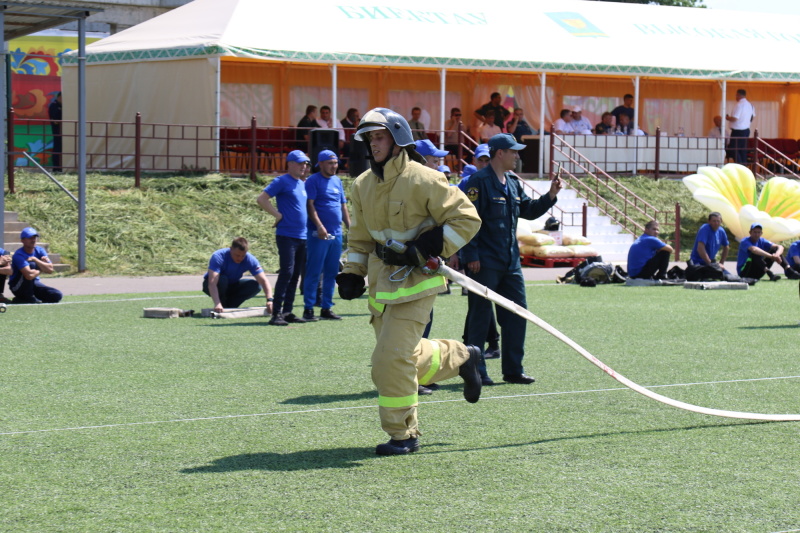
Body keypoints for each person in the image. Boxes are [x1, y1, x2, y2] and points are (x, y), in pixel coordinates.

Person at [335, 107, 483, 456]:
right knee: (406, 356)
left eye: (380, 136)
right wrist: (351, 273)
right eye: (370, 138)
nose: (374, 144)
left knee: (389, 359)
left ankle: (404, 434)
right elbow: (359, 239)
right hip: (381, 287)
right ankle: (462, 356)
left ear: (399, 138)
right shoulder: (361, 185)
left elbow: (466, 219)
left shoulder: (426, 179)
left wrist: (430, 245)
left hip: (417, 282)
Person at [461, 133, 563, 385]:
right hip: (484, 262)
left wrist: (550, 195)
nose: (518, 156)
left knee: (517, 314)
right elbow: (468, 220)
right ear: (500, 153)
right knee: (480, 316)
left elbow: (528, 211)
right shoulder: (478, 182)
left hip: (510, 262)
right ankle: (477, 371)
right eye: (514, 151)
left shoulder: (513, 183)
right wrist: (470, 254)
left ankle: (513, 369)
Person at [257, 150, 311, 326]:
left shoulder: (303, 184)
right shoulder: (282, 181)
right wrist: (277, 215)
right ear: (290, 164)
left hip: (302, 236)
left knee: (295, 274)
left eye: (305, 163)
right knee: (287, 272)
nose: (304, 166)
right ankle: (276, 314)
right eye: (300, 163)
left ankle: (287, 311)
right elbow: (262, 199)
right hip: (287, 235)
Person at [302, 149, 350, 321]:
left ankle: (326, 307)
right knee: (314, 271)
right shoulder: (313, 181)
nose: (334, 166)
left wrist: (350, 228)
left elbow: (343, 206)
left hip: (336, 234)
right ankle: (308, 308)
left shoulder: (337, 181)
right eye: (330, 163)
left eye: (335, 163)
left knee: (332, 272)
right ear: (320, 164)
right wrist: (320, 226)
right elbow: (310, 206)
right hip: (319, 234)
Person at [203, 237, 273, 313]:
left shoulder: (250, 259)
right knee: (223, 280)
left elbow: (263, 281)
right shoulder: (218, 256)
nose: (240, 258)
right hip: (214, 285)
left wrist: (270, 300)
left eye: (243, 256)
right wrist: (217, 303)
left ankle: (230, 306)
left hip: (233, 285)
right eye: (237, 255)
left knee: (255, 286)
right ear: (231, 249)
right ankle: (221, 304)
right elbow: (212, 283)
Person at [8, 227, 63, 304]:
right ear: (22, 240)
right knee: (32, 265)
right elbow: (29, 275)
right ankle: (25, 297)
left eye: (34, 237)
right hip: (17, 287)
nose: (33, 240)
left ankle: (28, 297)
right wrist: (41, 267)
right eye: (30, 238)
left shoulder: (40, 250)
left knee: (56, 295)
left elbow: (50, 270)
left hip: (34, 283)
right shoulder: (18, 255)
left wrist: (36, 260)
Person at [686, 212, 733, 281]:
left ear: (721, 221)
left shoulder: (721, 231)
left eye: (718, 221)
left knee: (730, 277)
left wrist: (721, 263)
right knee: (706, 279)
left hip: (710, 264)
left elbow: (726, 247)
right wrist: (711, 265)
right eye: (714, 221)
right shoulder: (704, 229)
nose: (716, 223)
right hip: (698, 263)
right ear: (709, 221)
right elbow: (700, 248)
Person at [726, 89, 755, 165]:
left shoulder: (739, 105)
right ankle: (744, 165)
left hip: (738, 130)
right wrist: (746, 122)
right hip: (746, 130)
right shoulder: (750, 105)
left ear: (738, 95)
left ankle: (740, 164)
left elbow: (735, 118)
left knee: (733, 148)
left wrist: (728, 118)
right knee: (742, 149)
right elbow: (752, 117)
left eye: (736, 95)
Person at [48, 91, 62, 172]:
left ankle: (61, 167)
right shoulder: (54, 105)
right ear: (59, 97)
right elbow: (55, 119)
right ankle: (56, 168)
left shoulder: (63, 106)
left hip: (65, 131)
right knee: (57, 148)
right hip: (57, 131)